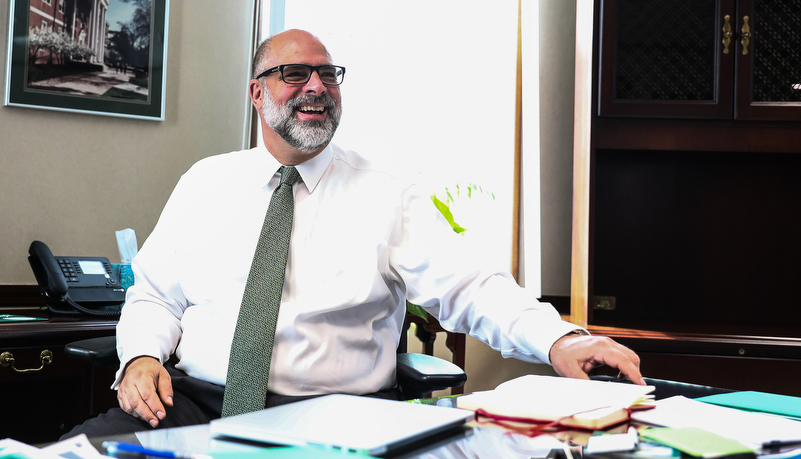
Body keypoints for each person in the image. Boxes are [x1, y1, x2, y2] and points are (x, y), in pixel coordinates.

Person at [63, 29, 643, 438]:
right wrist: (140, 356)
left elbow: (471, 288)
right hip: (192, 404)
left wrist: (560, 340)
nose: (316, 85)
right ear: (256, 92)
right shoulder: (205, 182)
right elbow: (155, 294)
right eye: (294, 73)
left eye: (328, 74)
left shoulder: (387, 189)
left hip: (336, 418)